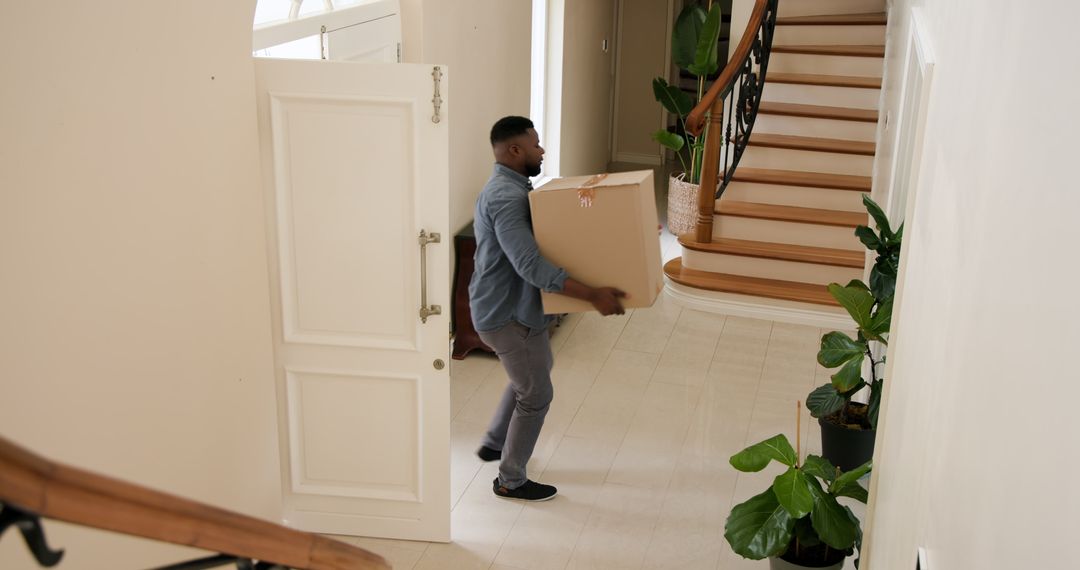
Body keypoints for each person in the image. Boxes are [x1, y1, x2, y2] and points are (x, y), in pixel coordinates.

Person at [469, 116, 626, 502]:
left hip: (516, 310)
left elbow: (552, 231)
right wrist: (591, 295)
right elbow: (530, 265)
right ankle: (510, 479)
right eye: (536, 144)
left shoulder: (514, 188)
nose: (543, 150)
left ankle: (495, 443)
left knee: (534, 376)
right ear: (515, 150)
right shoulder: (506, 198)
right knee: (536, 394)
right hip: (506, 314)